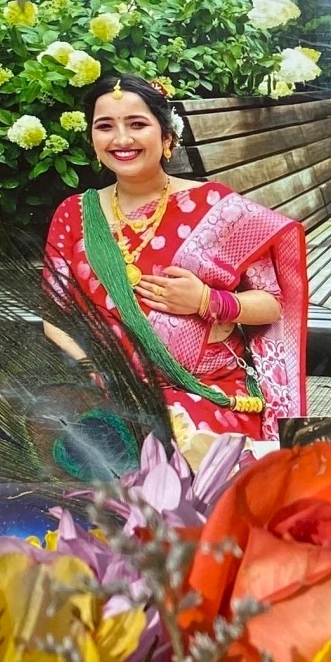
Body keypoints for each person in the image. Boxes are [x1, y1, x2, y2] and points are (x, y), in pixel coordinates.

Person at [41, 74, 308, 439]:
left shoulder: (216, 207)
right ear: (92, 140)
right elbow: (55, 315)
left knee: (177, 452)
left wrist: (206, 301)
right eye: (105, 126)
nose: (121, 139)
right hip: (111, 393)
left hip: (204, 390)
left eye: (137, 124)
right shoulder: (74, 213)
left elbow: (272, 305)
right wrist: (94, 368)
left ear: (167, 138)